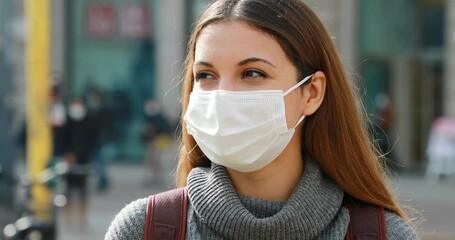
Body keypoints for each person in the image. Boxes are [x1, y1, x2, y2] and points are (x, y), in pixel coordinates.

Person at [105, 0, 418, 239]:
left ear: (311, 93)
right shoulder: (143, 229)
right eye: (206, 75)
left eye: (252, 73)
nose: (223, 95)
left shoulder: (385, 235)